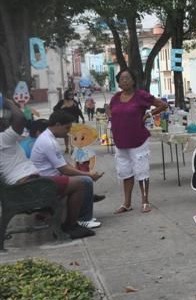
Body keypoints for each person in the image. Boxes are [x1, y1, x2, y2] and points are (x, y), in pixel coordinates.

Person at [0, 99, 95, 239]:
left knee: (72, 182)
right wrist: (7, 102)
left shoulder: (6, 140)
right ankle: (70, 226)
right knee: (80, 184)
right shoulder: (3, 138)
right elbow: (20, 118)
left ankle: (67, 221)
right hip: (29, 185)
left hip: (21, 187)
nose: (6, 123)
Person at [31, 111, 104, 229]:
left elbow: (64, 164)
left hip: (49, 177)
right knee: (86, 181)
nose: (68, 131)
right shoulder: (48, 142)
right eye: (67, 127)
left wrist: (83, 172)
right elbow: (64, 169)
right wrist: (88, 174)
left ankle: (83, 215)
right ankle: (83, 219)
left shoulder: (48, 137)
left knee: (83, 178)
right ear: (58, 124)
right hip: (46, 182)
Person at [107, 69, 167, 214]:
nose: (125, 81)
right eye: (121, 79)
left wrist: (148, 114)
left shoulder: (140, 95)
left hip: (138, 140)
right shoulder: (115, 97)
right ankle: (126, 203)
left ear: (133, 80)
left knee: (141, 171)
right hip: (120, 141)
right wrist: (110, 118)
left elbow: (163, 105)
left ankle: (145, 201)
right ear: (118, 82)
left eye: (127, 78)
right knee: (124, 172)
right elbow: (110, 110)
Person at [54, 89, 85, 153]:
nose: (71, 95)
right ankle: (67, 147)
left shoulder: (74, 102)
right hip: (64, 121)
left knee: (72, 134)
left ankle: (72, 148)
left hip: (73, 120)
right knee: (66, 135)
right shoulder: (62, 102)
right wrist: (62, 107)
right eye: (69, 94)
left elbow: (78, 111)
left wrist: (82, 118)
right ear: (66, 95)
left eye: (72, 94)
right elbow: (55, 109)